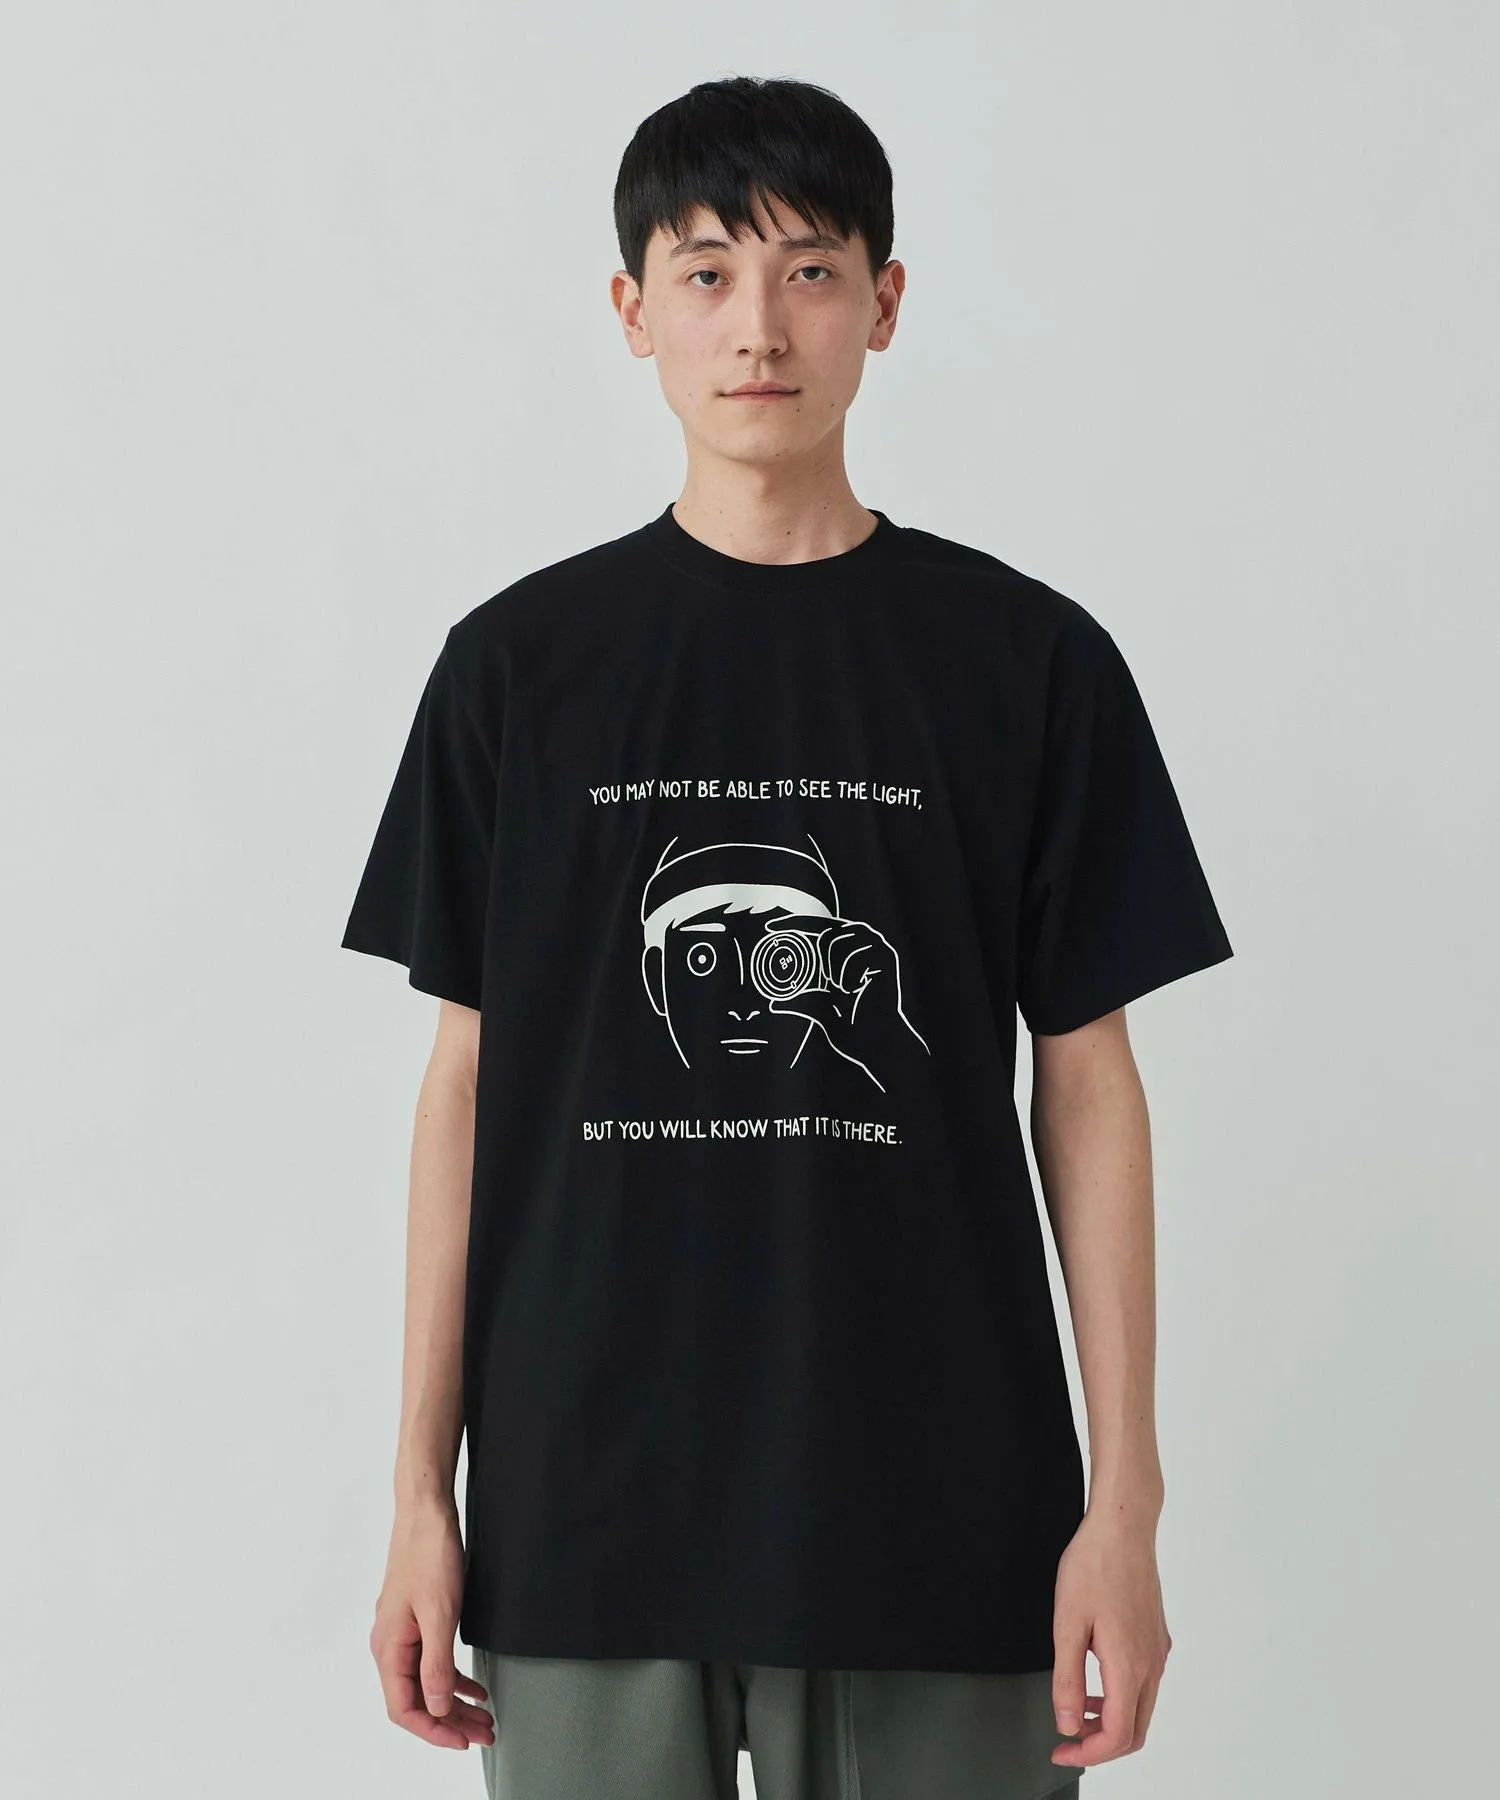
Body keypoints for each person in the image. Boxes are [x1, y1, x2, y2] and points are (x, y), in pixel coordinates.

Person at [340, 73, 1234, 1800]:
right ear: (634, 311)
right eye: (706, 274)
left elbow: (1089, 1081)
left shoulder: (1025, 663)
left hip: (942, 1503)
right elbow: (465, 1089)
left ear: (884, 304)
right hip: (586, 1506)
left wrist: (1123, 1504)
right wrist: (415, 1500)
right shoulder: (519, 671)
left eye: (811, 271)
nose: (759, 327)